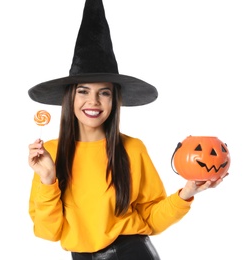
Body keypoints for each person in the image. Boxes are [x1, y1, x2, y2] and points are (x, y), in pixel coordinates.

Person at [27, 1, 227, 259]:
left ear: (115, 101)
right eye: (84, 91)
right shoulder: (48, 155)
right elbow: (47, 232)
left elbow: (151, 220)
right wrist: (48, 181)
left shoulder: (132, 148)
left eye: (104, 93)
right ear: (70, 98)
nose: (94, 102)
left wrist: (187, 193)